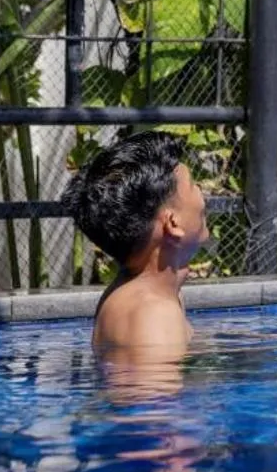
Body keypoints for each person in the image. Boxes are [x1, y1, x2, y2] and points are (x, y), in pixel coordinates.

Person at [62, 130, 209, 356]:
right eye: (193, 186)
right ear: (172, 223)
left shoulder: (158, 293)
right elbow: (152, 392)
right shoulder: (151, 316)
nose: (202, 194)